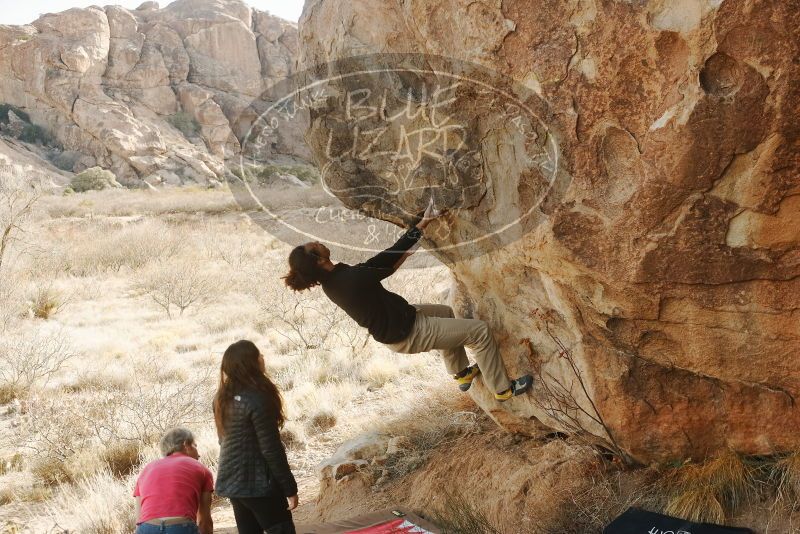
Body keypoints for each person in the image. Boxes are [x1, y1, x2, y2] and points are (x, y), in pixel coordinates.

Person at [283, 200, 533, 401]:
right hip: (410, 332)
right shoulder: (346, 281)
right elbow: (386, 263)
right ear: (317, 259)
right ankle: (503, 390)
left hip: (404, 319)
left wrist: (416, 233)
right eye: (313, 244)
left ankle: (461, 373)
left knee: (445, 311)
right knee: (480, 332)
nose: (318, 241)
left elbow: (377, 264)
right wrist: (421, 227)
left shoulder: (336, 278)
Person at [214, 340, 298, 534]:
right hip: (260, 485)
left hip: (233, 483)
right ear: (249, 363)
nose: (262, 358)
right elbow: (271, 449)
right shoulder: (258, 398)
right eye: (258, 354)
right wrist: (289, 488)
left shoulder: (221, 398)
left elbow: (222, 441)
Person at [133, 428, 214, 534]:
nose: (199, 454)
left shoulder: (146, 470)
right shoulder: (201, 468)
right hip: (181, 528)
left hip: (147, 528)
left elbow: (139, 519)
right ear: (186, 445)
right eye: (195, 446)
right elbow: (204, 522)